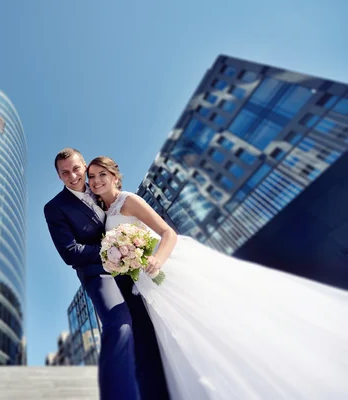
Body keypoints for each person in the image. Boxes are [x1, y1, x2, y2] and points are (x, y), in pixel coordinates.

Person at [87, 155, 348, 400]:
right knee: (178, 342)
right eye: (92, 177)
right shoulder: (105, 213)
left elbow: (169, 233)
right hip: (143, 284)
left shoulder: (129, 200)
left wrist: (158, 260)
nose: (96, 180)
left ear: (114, 176)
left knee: (209, 326)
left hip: (165, 270)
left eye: (102, 174)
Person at [44, 148, 169, 400]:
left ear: (84, 166)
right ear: (59, 176)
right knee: (119, 324)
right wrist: (113, 252)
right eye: (65, 172)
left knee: (145, 331)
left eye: (77, 169)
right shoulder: (55, 207)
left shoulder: (99, 190)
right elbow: (70, 252)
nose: (73, 176)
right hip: (97, 275)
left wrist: (127, 254)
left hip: (129, 271)